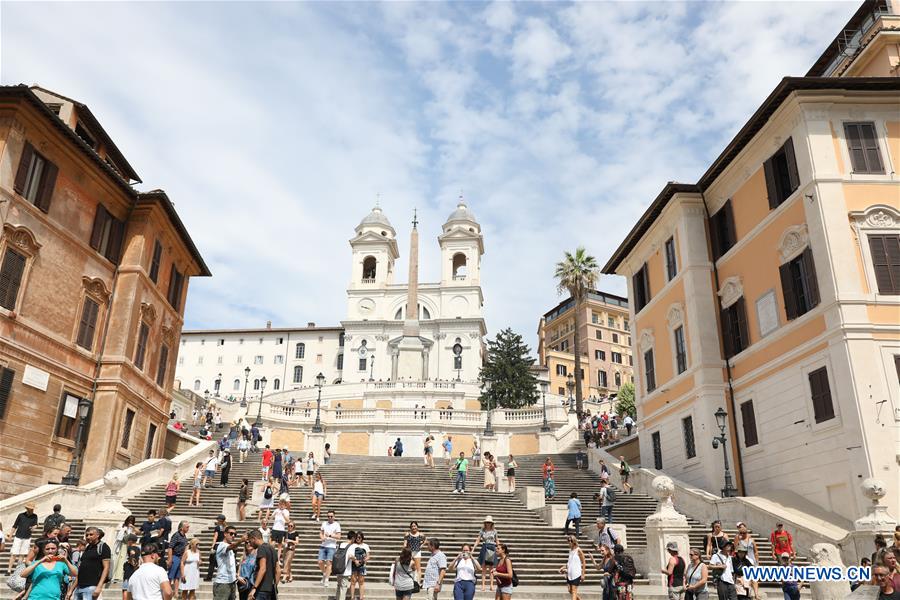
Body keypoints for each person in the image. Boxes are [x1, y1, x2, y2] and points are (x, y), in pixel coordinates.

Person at [74, 526, 111, 600]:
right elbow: (81, 569)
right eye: (86, 535)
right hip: (79, 587)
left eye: (91, 534)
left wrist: (99, 586)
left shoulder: (103, 547)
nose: (88, 537)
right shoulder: (88, 548)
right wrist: (72, 589)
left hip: (91, 586)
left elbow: (106, 567)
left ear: (97, 535)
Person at [247, 529, 278, 600]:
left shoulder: (261, 548)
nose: (250, 543)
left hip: (261, 589)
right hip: (270, 589)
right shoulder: (272, 548)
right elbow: (278, 570)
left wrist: (254, 587)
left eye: (250, 541)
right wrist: (274, 586)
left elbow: (263, 569)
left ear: (254, 538)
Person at [8, 501, 38, 573]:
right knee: (14, 553)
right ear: (27, 508)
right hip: (18, 536)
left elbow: (35, 524)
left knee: (22, 554)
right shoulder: (21, 515)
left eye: (32, 509)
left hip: (27, 537)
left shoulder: (35, 516)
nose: (31, 510)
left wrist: (35, 527)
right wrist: (11, 535)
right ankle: (9, 570)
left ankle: (17, 570)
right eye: (30, 509)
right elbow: (15, 525)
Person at [213, 527, 241, 600]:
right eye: (231, 533)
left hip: (231, 581)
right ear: (225, 534)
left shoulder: (230, 549)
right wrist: (241, 540)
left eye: (235, 534)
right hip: (223, 583)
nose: (233, 536)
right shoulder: (222, 545)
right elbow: (231, 546)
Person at [474, 518, 499, 592]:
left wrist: (500, 548)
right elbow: (478, 540)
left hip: (492, 547)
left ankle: (491, 585)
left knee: (491, 568)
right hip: (484, 547)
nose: (488, 523)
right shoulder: (482, 530)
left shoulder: (494, 531)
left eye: (489, 522)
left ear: (492, 523)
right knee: (484, 568)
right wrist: (473, 548)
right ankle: (483, 585)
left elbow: (497, 540)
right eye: (487, 522)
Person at [318, 511, 342, 587]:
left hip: (332, 546)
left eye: (331, 516)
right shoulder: (324, 523)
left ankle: (327, 579)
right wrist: (322, 538)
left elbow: (338, 536)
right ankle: (325, 574)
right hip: (323, 545)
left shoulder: (336, 524)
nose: (330, 518)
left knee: (329, 563)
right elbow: (321, 533)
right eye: (328, 516)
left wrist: (331, 535)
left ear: (334, 517)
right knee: (320, 562)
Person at [167, 521, 190, 595]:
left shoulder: (184, 536)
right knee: (170, 576)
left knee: (177, 576)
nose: (188, 528)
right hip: (175, 557)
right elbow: (170, 547)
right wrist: (170, 559)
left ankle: (176, 593)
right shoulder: (176, 535)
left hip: (181, 558)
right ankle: (168, 591)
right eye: (187, 527)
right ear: (181, 528)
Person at [114, 517, 138, 582]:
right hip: (121, 545)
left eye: (132, 521)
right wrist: (123, 530)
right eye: (129, 520)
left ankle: (121, 575)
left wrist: (132, 527)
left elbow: (138, 532)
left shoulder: (131, 528)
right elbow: (118, 535)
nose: (130, 522)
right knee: (119, 559)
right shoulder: (121, 525)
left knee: (125, 560)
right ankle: (116, 575)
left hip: (128, 545)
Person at [349, 532, 371, 600]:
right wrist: (355, 560)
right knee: (353, 581)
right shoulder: (352, 545)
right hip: (353, 564)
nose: (358, 539)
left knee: (361, 581)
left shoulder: (365, 546)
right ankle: (352, 597)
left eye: (359, 537)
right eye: (357, 537)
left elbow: (368, 556)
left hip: (362, 565)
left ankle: (361, 597)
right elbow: (350, 555)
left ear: (362, 538)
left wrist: (363, 561)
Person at [205, 515, 228, 582]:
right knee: (223, 562)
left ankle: (209, 577)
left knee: (212, 562)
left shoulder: (218, 527)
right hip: (224, 545)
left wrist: (212, 546)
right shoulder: (226, 528)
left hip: (217, 545)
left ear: (219, 520)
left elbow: (215, 537)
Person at [121, 536, 141, 600]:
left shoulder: (130, 548)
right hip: (135, 569)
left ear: (130, 541)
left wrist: (132, 561)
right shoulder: (138, 548)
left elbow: (132, 553)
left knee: (125, 588)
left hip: (129, 568)